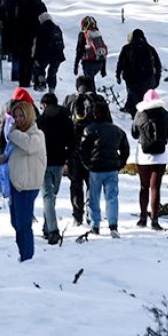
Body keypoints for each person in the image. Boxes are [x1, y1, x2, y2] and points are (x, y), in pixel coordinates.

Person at [3, 93, 47, 261]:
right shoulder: (18, 136)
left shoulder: (36, 135)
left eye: (21, 116)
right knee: (16, 222)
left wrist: (12, 132)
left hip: (27, 185)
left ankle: (27, 257)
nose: (18, 119)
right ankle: (23, 253)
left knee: (23, 224)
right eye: (15, 116)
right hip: (16, 184)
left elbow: (28, 146)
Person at [79, 94, 129, 237]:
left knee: (94, 198)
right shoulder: (117, 130)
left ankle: (95, 225)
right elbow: (125, 149)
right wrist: (120, 163)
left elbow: (82, 149)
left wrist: (87, 164)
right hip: (112, 168)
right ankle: (113, 225)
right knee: (112, 197)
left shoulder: (89, 129)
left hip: (95, 168)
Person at [130, 89, 168, 230]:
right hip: (161, 155)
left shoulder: (139, 114)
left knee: (144, 187)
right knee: (155, 187)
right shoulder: (165, 114)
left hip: (143, 155)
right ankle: (155, 220)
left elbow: (133, 134)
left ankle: (142, 218)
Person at [36, 91, 74, 244]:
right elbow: (72, 140)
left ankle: (51, 230)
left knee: (48, 196)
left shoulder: (40, 120)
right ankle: (49, 228)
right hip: (59, 162)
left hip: (43, 162)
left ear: (45, 104)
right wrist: (66, 157)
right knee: (52, 196)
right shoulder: (66, 118)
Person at [62, 75, 97, 225]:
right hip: (92, 149)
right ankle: (92, 213)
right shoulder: (98, 100)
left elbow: (62, 123)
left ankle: (77, 215)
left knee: (75, 183)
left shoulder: (69, 100)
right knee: (92, 183)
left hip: (73, 148)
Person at [115, 29, 162, 116]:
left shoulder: (127, 48)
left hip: (132, 80)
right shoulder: (150, 48)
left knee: (134, 97)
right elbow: (158, 65)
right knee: (143, 98)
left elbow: (120, 63)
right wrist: (156, 80)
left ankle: (137, 117)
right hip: (148, 79)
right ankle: (132, 108)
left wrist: (118, 75)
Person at [32, 11, 65, 93]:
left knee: (39, 68)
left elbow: (38, 45)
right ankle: (51, 90)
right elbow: (62, 44)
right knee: (52, 72)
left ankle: (42, 82)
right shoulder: (57, 28)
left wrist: (35, 57)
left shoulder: (41, 29)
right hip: (57, 55)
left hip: (45, 55)